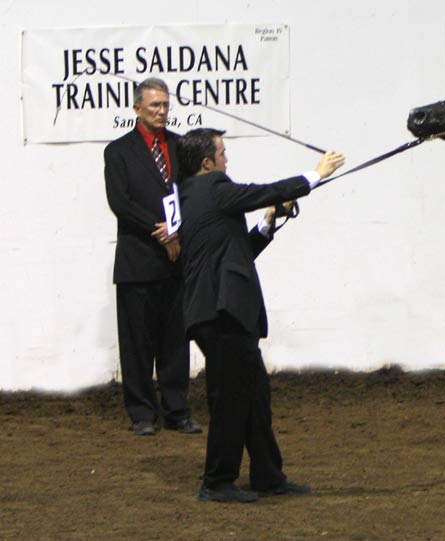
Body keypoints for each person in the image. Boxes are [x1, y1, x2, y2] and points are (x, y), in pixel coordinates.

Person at [176, 127, 344, 503]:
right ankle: (217, 481)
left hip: (219, 310)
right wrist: (316, 175)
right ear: (207, 162)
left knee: (253, 394)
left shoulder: (198, 198)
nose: (226, 159)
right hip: (222, 312)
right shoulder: (214, 189)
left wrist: (268, 221)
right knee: (233, 397)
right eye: (222, 153)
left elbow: (236, 253)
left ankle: (268, 474)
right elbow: (263, 190)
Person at [104, 77, 202, 436]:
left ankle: (177, 409)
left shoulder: (181, 147)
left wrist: (176, 231)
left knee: (175, 339)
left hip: (176, 259)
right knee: (137, 342)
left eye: (165, 106)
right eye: (154, 106)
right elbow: (120, 202)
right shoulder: (117, 152)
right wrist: (158, 230)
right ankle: (143, 413)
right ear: (137, 109)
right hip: (138, 260)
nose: (162, 112)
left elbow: (192, 192)